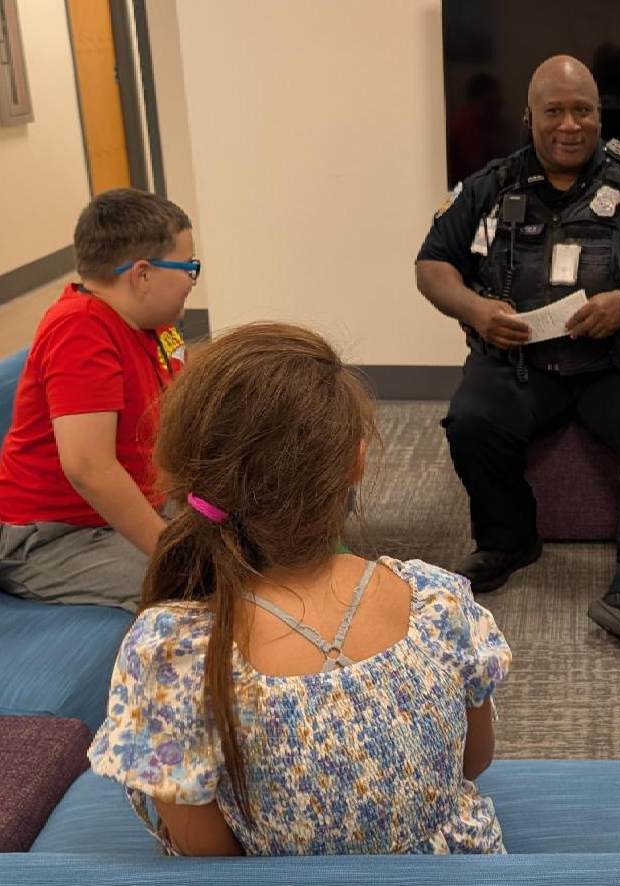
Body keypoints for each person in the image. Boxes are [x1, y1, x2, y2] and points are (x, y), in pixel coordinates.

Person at [87, 323, 512, 856]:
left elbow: (206, 853)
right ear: (357, 461)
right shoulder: (438, 601)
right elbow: (473, 761)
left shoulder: (173, 652)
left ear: (187, 479)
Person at [415, 54, 620, 665]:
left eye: (583, 111)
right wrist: (474, 309)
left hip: (619, 369)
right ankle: (507, 541)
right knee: (471, 420)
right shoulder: (490, 187)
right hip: (524, 368)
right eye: (555, 111)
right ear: (530, 117)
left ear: (599, 115)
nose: (570, 124)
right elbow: (431, 264)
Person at [0, 188, 194, 610]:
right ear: (142, 274)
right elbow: (89, 468)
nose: (193, 282)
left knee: (253, 533)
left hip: (130, 505)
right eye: (189, 268)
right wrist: (172, 555)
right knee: (202, 585)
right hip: (51, 537)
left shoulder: (157, 325)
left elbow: (185, 403)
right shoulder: (80, 329)